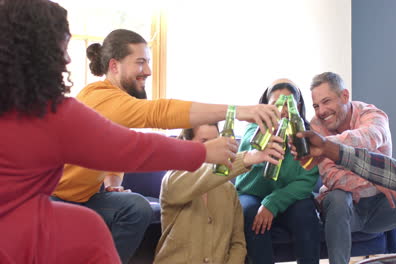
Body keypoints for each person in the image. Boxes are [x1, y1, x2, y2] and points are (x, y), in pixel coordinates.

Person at [0, 0, 238, 263]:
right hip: (46, 203)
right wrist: (205, 148)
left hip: (75, 199)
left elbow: (109, 149)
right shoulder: (72, 107)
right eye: (59, 49)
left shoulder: (42, 107)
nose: (67, 58)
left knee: (132, 208)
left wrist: (113, 182)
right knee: (88, 229)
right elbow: (137, 141)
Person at [50, 29, 280, 263]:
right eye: (140, 63)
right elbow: (159, 112)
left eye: (148, 62)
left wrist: (112, 183)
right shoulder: (100, 98)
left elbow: (112, 153)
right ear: (114, 66)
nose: (148, 71)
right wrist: (237, 111)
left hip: (87, 197)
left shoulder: (118, 107)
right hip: (52, 196)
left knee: (136, 208)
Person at [307, 72, 396, 264]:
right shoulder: (316, 125)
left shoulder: (372, 115)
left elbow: (370, 137)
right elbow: (332, 176)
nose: (321, 111)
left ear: (344, 96)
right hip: (345, 210)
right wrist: (377, 179)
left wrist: (325, 144)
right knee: (338, 196)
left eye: (326, 101)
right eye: (316, 105)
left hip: (380, 207)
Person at [155, 123, 285, 263]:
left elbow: (238, 244)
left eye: (216, 141)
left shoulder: (229, 190)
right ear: (187, 145)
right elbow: (205, 175)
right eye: (204, 142)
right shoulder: (173, 179)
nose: (213, 147)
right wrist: (248, 157)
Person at [235, 79, 321, 264]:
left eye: (287, 104)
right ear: (266, 106)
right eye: (275, 104)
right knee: (250, 212)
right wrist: (269, 131)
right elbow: (244, 171)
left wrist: (272, 203)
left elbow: (306, 182)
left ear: (297, 106)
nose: (281, 110)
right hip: (251, 194)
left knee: (305, 211)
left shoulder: (307, 136)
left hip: (287, 197)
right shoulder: (252, 129)